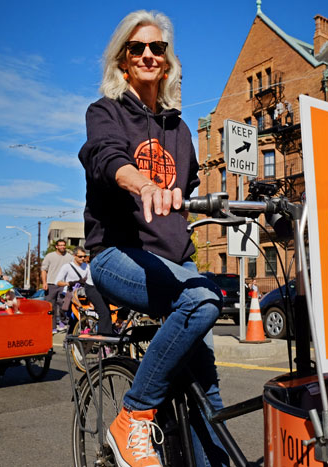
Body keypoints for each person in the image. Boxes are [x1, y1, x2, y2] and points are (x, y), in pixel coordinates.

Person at [78, 10, 226, 467]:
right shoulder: (105, 112)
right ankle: (133, 417)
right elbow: (106, 157)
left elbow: (193, 190)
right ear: (123, 60)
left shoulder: (180, 130)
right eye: (137, 48)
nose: (147, 54)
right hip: (118, 255)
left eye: (156, 48)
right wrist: (142, 184)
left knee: (207, 386)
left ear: (167, 62)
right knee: (201, 302)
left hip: (174, 262)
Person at [41, 239, 74, 331]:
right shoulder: (49, 256)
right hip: (51, 284)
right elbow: (44, 270)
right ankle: (53, 327)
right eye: (60, 245)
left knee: (64, 304)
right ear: (56, 246)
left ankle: (63, 321)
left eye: (64, 245)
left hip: (64, 284)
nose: (62, 247)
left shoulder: (69, 257)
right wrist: (44, 282)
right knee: (51, 306)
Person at [54, 246, 89, 332]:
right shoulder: (67, 266)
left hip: (82, 295)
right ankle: (69, 339)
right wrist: (69, 283)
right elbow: (57, 282)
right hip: (70, 295)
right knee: (73, 319)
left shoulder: (87, 267)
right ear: (74, 256)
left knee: (84, 318)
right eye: (80, 256)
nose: (83, 258)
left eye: (84, 256)